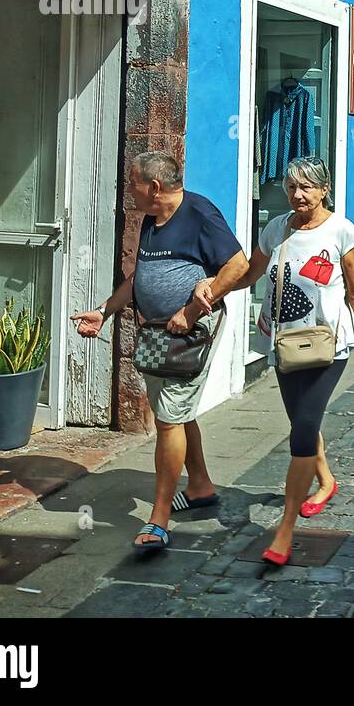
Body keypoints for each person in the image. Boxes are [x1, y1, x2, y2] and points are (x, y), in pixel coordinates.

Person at [71, 151, 249, 551]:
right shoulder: (152, 220)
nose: (127, 189)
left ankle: (159, 519)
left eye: (132, 182)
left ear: (154, 187)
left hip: (190, 333)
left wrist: (190, 311)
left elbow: (237, 266)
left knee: (167, 419)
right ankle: (201, 486)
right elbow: (140, 277)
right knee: (177, 413)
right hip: (156, 333)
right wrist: (105, 311)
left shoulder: (200, 214)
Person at [226, 157, 354, 565]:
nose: (297, 195)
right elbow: (250, 274)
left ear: (324, 189)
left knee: (302, 432)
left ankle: (284, 531)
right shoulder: (277, 228)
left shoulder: (341, 231)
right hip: (284, 343)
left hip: (327, 346)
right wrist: (209, 288)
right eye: (292, 187)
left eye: (307, 187)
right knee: (303, 425)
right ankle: (326, 480)